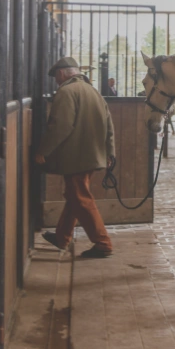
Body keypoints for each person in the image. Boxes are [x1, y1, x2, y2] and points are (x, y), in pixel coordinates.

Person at [35, 56, 115, 258]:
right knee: (75, 196)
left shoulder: (66, 92)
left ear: (62, 74)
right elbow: (109, 126)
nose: (56, 81)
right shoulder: (94, 92)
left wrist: (43, 151)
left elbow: (61, 126)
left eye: (56, 77)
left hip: (75, 156)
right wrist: (110, 152)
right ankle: (62, 237)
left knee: (80, 198)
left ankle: (103, 243)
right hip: (93, 154)